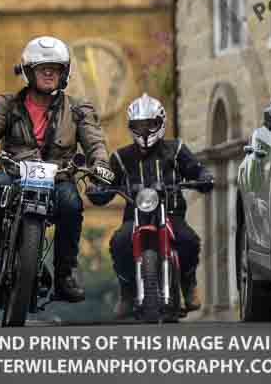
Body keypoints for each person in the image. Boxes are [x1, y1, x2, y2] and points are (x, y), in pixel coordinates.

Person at [0, 35, 114, 302]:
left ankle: (65, 274)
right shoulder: (8, 104)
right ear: (28, 72)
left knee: (71, 202)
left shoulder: (78, 108)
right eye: (42, 68)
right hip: (15, 174)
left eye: (55, 68)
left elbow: (95, 141)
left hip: (59, 177)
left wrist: (100, 164)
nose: (48, 73)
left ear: (63, 73)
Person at [88, 93, 214, 318]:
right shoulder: (120, 157)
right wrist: (98, 188)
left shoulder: (175, 149)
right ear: (131, 127)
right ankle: (127, 293)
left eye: (150, 125)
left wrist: (204, 175)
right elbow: (106, 183)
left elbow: (195, 169)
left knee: (189, 240)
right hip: (134, 218)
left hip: (171, 215)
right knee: (119, 242)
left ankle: (188, 284)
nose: (145, 131)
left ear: (161, 124)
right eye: (139, 126)